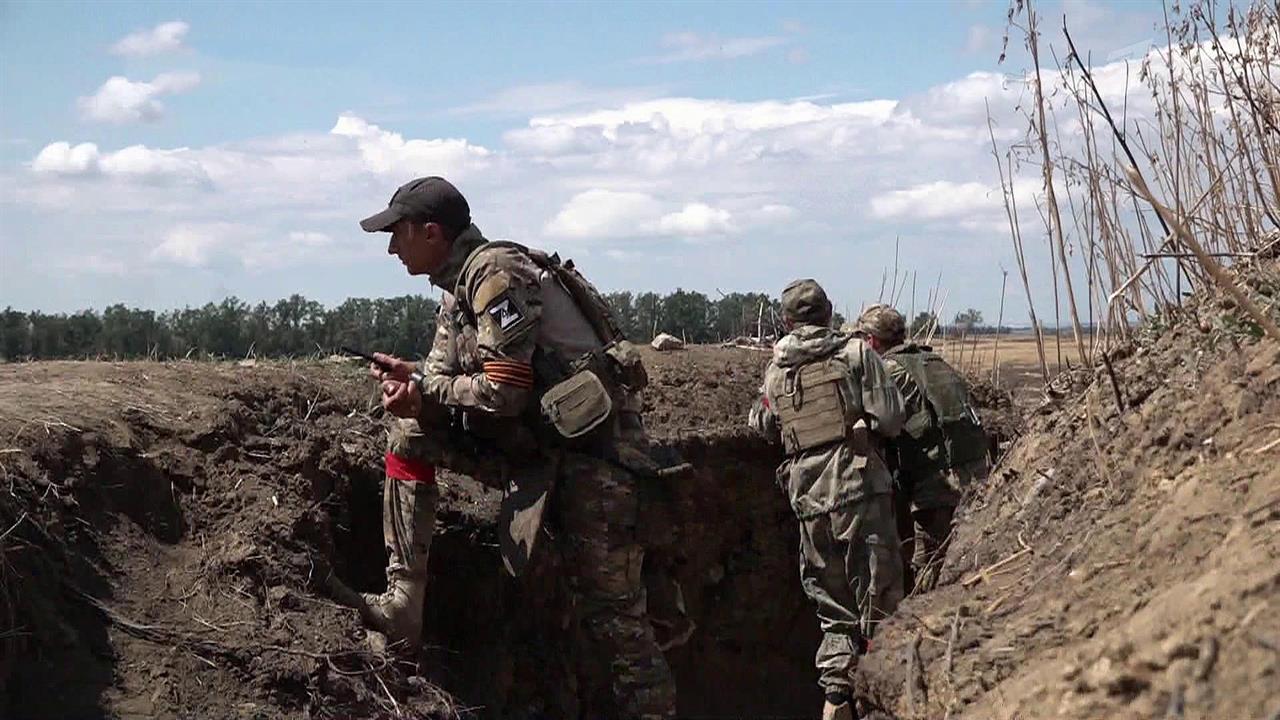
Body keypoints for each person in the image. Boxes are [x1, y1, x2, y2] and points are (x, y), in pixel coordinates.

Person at [357, 176, 676, 718]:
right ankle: (404, 605)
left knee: (615, 619)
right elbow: (446, 380)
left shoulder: (494, 274)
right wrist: (415, 388)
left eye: (399, 234)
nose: (391, 248)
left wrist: (426, 387)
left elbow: (503, 392)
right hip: (541, 450)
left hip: (595, 463)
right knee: (409, 434)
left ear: (432, 233)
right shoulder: (458, 292)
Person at [747, 280, 905, 720]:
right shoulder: (857, 355)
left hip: (808, 499)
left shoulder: (778, 369)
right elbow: (891, 419)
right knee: (880, 602)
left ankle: (836, 700)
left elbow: (762, 422)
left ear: (787, 321)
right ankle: (883, 701)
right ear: (830, 312)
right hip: (860, 491)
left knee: (833, 612)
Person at [854, 304, 991, 593]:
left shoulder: (889, 370)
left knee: (928, 564)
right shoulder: (931, 360)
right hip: (972, 472)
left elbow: (876, 420)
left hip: (936, 481)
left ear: (871, 341)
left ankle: (918, 622)